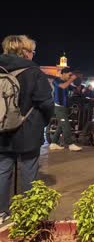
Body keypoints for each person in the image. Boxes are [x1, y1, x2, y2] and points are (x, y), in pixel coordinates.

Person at [0, 35, 55, 223]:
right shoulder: (33, 71)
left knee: (2, 169)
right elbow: (46, 103)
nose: (33, 55)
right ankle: (25, 214)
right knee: (28, 170)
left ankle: (1, 212)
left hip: (2, 130)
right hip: (28, 128)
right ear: (23, 51)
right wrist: (44, 122)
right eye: (32, 51)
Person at [49, 68, 82, 151]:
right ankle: (70, 144)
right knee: (66, 125)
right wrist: (72, 79)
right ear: (63, 73)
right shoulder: (56, 80)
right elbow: (63, 86)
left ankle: (53, 143)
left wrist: (78, 83)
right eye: (69, 75)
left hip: (65, 107)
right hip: (59, 107)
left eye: (71, 75)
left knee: (61, 125)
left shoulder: (67, 83)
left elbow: (76, 90)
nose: (70, 76)